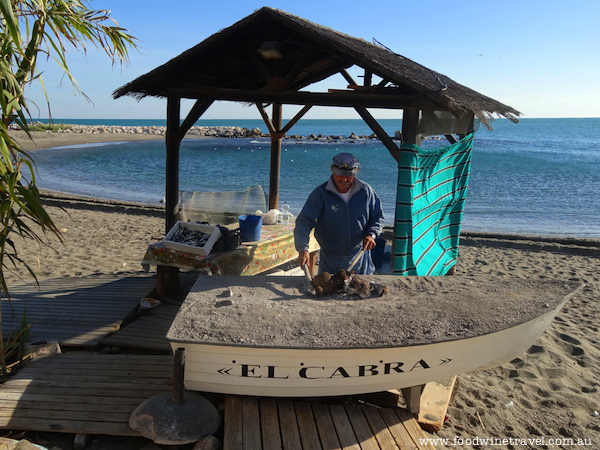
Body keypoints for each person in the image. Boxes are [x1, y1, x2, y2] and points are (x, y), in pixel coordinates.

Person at [294, 152, 385, 275]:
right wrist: (303, 249)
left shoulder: (366, 191)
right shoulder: (321, 193)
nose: (344, 179)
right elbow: (304, 222)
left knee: (361, 289)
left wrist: (372, 234)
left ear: (355, 173)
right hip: (330, 257)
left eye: (349, 175)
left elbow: (377, 216)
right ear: (333, 171)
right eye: (340, 175)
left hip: (360, 254)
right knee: (329, 291)